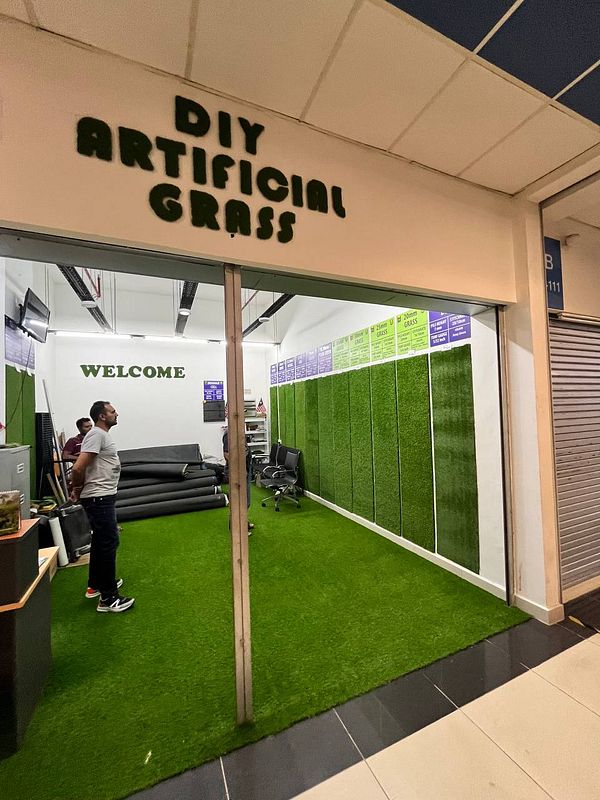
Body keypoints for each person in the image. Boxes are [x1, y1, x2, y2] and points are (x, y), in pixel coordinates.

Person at [70, 401, 134, 613]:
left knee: (100, 542)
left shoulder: (100, 435)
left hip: (102, 496)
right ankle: (108, 598)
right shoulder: (97, 434)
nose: (117, 414)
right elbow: (77, 468)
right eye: (112, 411)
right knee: (108, 543)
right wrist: (77, 489)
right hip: (99, 497)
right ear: (102, 416)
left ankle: (96, 585)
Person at [222, 426, 254, 533]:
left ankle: (243, 522)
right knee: (238, 501)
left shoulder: (239, 431)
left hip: (245, 469)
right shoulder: (229, 434)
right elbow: (227, 455)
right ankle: (237, 528)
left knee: (245, 501)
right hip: (237, 472)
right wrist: (240, 469)